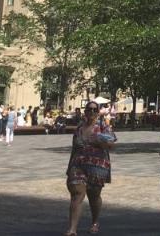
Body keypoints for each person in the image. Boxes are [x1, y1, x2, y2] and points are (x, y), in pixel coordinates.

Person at [65, 100, 115, 236]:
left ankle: (95, 221)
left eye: (94, 110)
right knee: (77, 194)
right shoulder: (79, 128)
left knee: (94, 196)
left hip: (97, 166)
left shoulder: (103, 126)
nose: (92, 112)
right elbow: (74, 148)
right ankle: (72, 229)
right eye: (89, 109)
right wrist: (69, 167)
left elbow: (112, 144)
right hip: (78, 164)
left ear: (98, 113)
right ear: (85, 112)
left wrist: (99, 142)